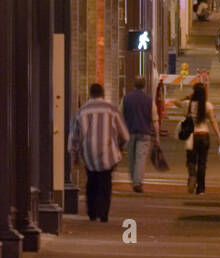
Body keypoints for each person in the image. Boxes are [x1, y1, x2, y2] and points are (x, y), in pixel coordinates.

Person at [68, 83, 129, 222]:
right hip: (109, 152)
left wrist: (75, 153)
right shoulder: (112, 109)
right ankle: (103, 213)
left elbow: (74, 137)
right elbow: (125, 135)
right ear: (103, 94)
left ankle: (92, 212)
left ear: (90, 94)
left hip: (89, 153)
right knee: (106, 182)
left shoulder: (81, 111)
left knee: (92, 181)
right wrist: (119, 147)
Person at [120, 75, 159, 193]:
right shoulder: (149, 100)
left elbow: (119, 116)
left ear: (134, 85)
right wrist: (157, 136)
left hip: (129, 132)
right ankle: (137, 183)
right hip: (144, 133)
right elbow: (155, 120)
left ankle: (134, 181)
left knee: (131, 158)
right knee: (140, 158)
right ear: (144, 86)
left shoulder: (126, 99)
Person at [182, 82, 220, 194]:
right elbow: (213, 121)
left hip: (191, 136)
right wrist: (218, 134)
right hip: (204, 135)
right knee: (202, 163)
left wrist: (187, 97)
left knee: (190, 160)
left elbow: (176, 102)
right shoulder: (208, 105)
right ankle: (201, 189)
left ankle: (192, 175)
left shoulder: (188, 104)